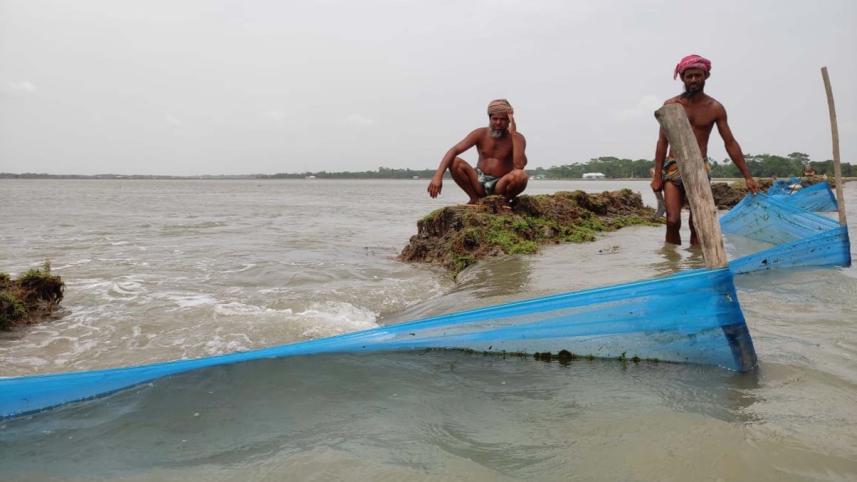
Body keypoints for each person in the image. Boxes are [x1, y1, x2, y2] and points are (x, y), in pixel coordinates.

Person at [650, 54, 760, 245]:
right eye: (689, 76)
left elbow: (730, 142)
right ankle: (671, 263)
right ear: (682, 78)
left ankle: (697, 263)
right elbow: (662, 142)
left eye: (697, 75)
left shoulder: (714, 108)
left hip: (700, 168)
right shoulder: (671, 106)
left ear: (705, 76)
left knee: (698, 221)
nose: (693, 80)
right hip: (674, 168)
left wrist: (747, 176)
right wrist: (657, 175)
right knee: (672, 220)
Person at [427, 99, 528, 204]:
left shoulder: (517, 138)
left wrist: (514, 134)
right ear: (489, 118)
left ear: (509, 120)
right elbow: (454, 150)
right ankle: (474, 198)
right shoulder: (480, 133)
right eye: (495, 119)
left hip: (500, 185)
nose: (498, 123)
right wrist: (438, 176)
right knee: (454, 161)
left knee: (520, 176)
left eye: (502, 119)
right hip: (479, 181)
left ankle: (503, 201)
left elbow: (519, 165)